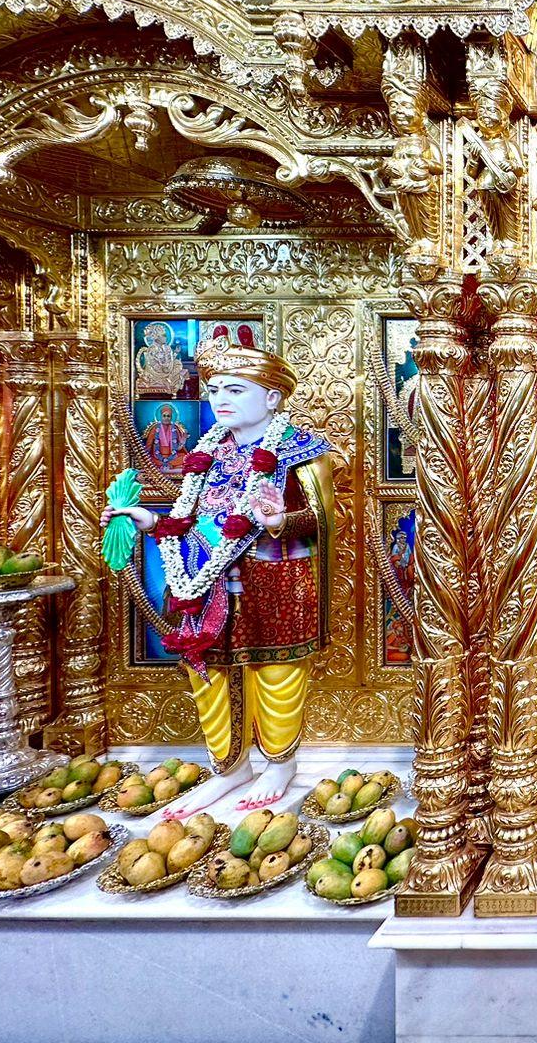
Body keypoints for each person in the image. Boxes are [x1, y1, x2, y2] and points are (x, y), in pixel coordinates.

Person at [104, 325, 335, 817]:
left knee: (274, 669)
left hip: (273, 579)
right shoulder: (206, 454)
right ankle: (229, 769)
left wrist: (278, 520)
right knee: (207, 672)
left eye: (235, 390)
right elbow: (190, 518)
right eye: (213, 390)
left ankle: (279, 764)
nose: (219, 400)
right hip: (200, 579)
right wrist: (150, 521)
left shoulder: (302, 453)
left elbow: (326, 520)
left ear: (272, 397)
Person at [141, 403, 190, 475]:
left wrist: (183, 439)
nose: (166, 418)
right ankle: (169, 468)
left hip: (173, 458)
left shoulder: (175, 428)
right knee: (148, 461)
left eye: (168, 416)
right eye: (164, 416)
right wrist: (145, 457)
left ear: (171, 417)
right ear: (161, 417)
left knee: (185, 458)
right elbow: (149, 445)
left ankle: (165, 468)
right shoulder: (155, 428)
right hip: (157, 458)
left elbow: (179, 448)